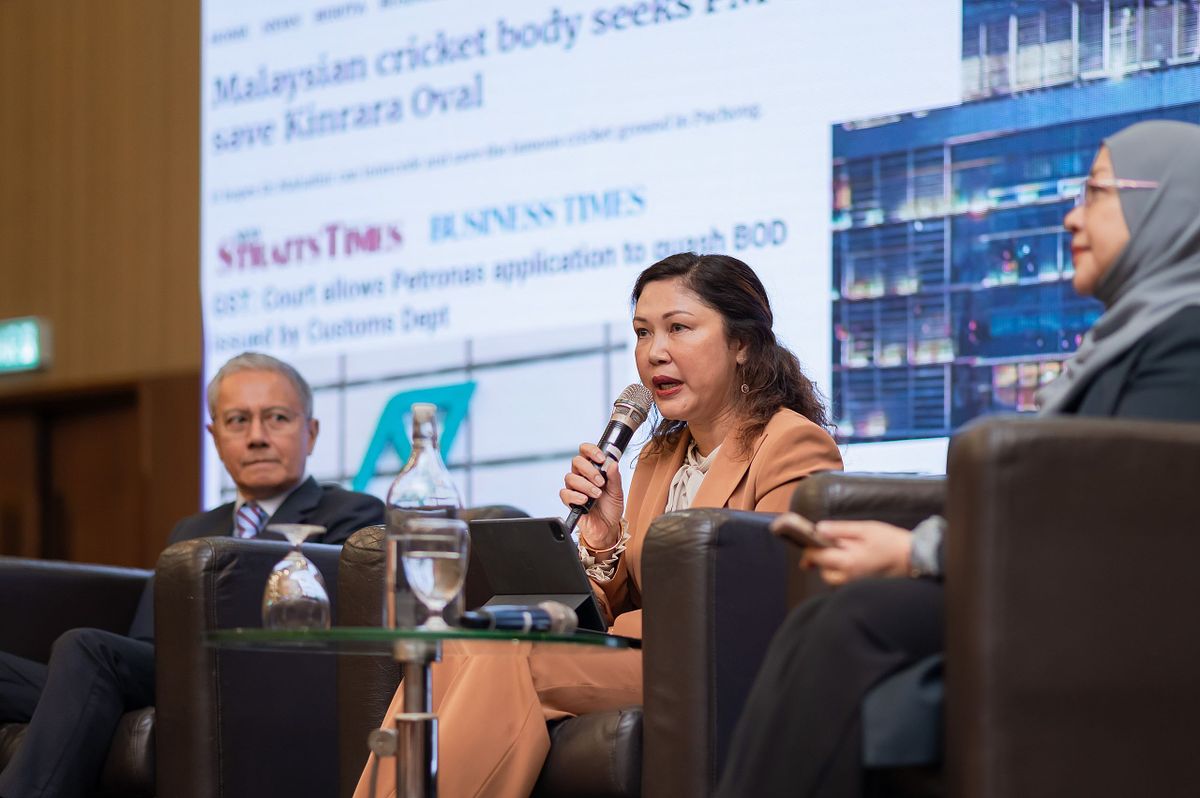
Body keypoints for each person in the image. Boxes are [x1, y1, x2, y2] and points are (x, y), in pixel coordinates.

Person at [715, 119, 1200, 798]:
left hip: (1107, 615)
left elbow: (1125, 521)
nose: (1071, 216)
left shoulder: (1185, 340)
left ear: (1168, 206)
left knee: (848, 625)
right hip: (1048, 591)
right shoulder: (1134, 336)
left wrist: (917, 553)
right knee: (832, 622)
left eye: (1095, 192)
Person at [356, 252, 844, 798]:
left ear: (743, 343)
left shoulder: (791, 443)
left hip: (719, 668)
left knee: (511, 659)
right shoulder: (658, 455)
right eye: (642, 332)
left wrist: (623, 630)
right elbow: (611, 609)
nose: (654, 352)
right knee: (455, 646)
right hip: (646, 658)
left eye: (679, 328)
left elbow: (771, 603)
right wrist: (604, 540)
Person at [0, 351, 385, 798]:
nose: (257, 437)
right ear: (215, 437)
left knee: (84, 648)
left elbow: (304, 633)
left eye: (277, 418)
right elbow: (147, 638)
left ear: (310, 432)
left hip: (257, 676)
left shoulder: (353, 514)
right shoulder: (193, 528)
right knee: (73, 665)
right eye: (238, 421)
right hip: (171, 673)